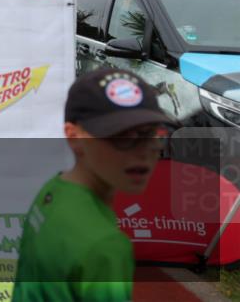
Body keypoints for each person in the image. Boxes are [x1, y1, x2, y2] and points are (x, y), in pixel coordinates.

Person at [11, 68, 176, 302]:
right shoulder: (106, 246)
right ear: (74, 136)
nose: (144, 152)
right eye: (123, 137)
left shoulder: (53, 189)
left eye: (152, 134)